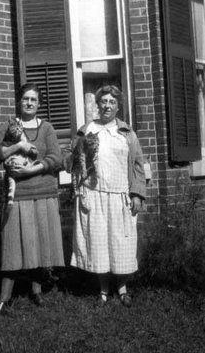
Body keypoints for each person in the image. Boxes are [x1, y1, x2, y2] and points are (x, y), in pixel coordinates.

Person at [64, 84, 146, 307]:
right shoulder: (86, 129)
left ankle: (122, 289)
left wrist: (137, 194)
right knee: (98, 243)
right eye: (104, 101)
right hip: (94, 195)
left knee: (121, 243)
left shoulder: (127, 133)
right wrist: (76, 152)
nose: (107, 105)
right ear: (97, 104)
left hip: (120, 196)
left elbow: (139, 165)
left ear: (118, 107)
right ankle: (102, 290)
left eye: (112, 102)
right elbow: (70, 162)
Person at [0, 82, 65, 314]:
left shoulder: (47, 128)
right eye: (25, 99)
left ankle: (37, 292)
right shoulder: (10, 126)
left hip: (43, 193)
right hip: (18, 196)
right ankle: (4, 298)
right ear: (19, 102)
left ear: (39, 104)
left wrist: (31, 170)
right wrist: (17, 146)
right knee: (13, 246)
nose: (29, 103)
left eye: (33, 99)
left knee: (40, 245)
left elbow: (56, 158)